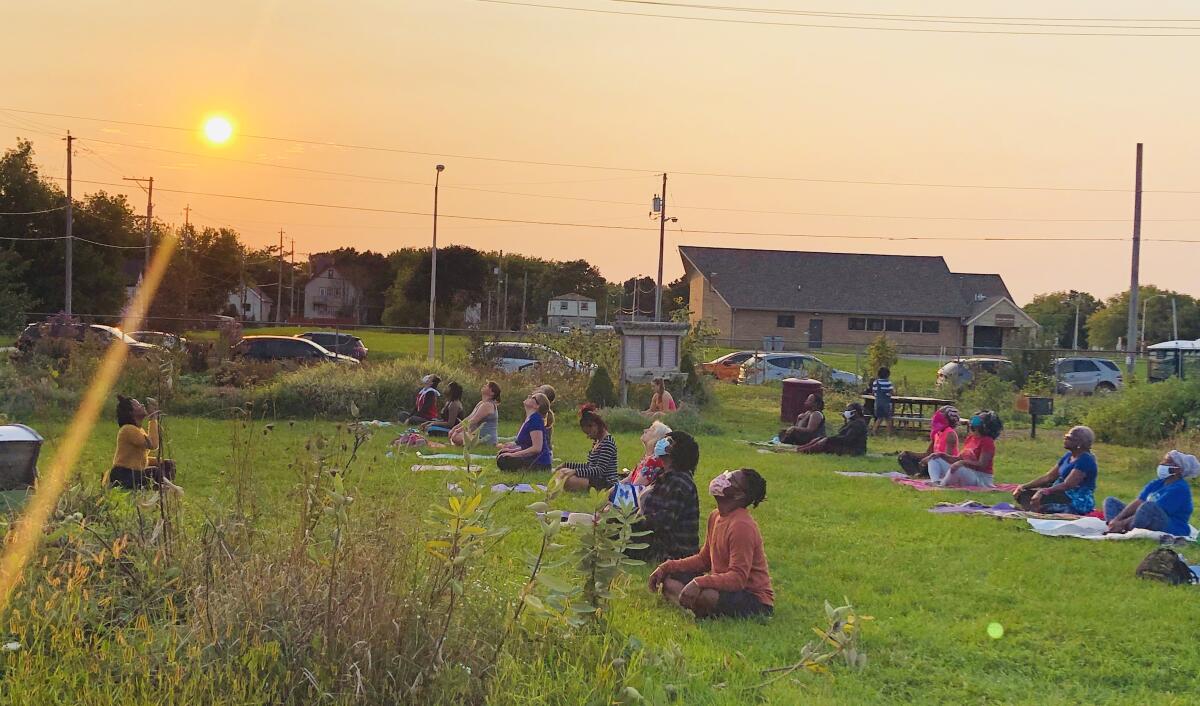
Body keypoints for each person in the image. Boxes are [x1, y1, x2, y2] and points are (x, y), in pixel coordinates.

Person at [648, 468, 773, 619]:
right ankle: (694, 610)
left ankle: (693, 609)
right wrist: (667, 567)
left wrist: (700, 582)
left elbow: (738, 578)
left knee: (708, 595)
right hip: (725, 586)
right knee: (670, 580)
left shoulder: (742, 525)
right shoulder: (715, 515)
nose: (723, 478)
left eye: (730, 480)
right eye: (727, 475)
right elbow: (704, 560)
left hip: (753, 597)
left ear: (739, 495)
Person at [629, 431, 701, 562]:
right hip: (659, 539)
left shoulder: (680, 482)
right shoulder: (662, 475)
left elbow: (663, 522)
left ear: (679, 451)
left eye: (669, 441)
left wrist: (629, 521)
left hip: (673, 550)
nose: (662, 442)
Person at [1104, 450, 1198, 536]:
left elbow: (1152, 511)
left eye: (1167, 462)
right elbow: (1139, 501)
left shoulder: (1180, 489)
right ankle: (1115, 526)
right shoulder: (1157, 482)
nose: (1162, 463)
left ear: (1178, 470)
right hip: (1145, 517)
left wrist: (1122, 523)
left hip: (1171, 526)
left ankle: (1123, 528)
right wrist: (1117, 519)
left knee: (1148, 507)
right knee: (1110, 502)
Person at [1013, 426, 1099, 514]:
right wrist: (1023, 486)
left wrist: (1044, 491)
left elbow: (1068, 485)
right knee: (1023, 494)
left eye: (1069, 438)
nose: (1065, 439)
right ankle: (1036, 510)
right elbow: (1049, 477)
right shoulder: (1068, 456)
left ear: (1080, 443)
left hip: (1075, 499)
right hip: (1061, 494)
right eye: (1066, 437)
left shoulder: (1085, 460)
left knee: (1042, 500)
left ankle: (1039, 511)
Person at [107, 395, 174, 490]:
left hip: (135, 472)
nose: (142, 405)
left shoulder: (139, 430)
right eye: (137, 405)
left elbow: (140, 457)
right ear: (131, 412)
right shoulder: (128, 429)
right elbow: (153, 445)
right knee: (156, 474)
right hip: (124, 474)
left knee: (167, 465)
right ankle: (162, 491)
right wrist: (152, 418)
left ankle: (164, 492)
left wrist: (160, 461)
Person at [925, 410, 1002, 488]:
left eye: (977, 420)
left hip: (980, 477)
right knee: (934, 459)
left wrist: (962, 463)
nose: (973, 421)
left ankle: (942, 485)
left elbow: (982, 464)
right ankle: (935, 482)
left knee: (959, 468)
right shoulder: (970, 438)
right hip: (967, 471)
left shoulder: (987, 441)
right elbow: (958, 459)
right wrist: (942, 455)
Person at [554, 404, 619, 492]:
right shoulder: (597, 442)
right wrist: (567, 465)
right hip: (596, 479)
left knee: (568, 480)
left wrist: (575, 471)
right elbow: (589, 466)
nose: (588, 437)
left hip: (606, 482)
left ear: (594, 426)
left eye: (588, 433)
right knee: (562, 474)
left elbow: (599, 471)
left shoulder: (607, 443)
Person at [496, 392, 554, 471]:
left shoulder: (535, 420)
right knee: (502, 454)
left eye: (533, 398)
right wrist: (511, 450)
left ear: (537, 406)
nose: (529, 396)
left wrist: (514, 455)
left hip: (540, 463)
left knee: (503, 460)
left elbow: (536, 448)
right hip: (532, 458)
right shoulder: (530, 418)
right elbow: (526, 445)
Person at [794, 403, 869, 456]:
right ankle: (800, 449)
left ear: (855, 413)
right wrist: (845, 421)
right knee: (819, 439)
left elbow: (847, 439)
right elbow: (841, 432)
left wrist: (829, 439)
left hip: (854, 450)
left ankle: (803, 451)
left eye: (848, 410)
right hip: (848, 446)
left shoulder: (858, 424)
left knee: (824, 443)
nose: (846, 412)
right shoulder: (853, 422)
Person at [449, 381, 500, 447]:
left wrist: (457, 430)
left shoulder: (488, 405)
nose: (484, 385)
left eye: (487, 386)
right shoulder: (481, 403)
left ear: (492, 393)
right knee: (454, 435)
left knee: (456, 437)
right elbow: (469, 418)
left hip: (485, 438)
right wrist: (454, 428)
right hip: (475, 435)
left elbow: (474, 420)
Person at [917, 406, 961, 483]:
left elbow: (948, 457)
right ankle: (920, 474)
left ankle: (935, 481)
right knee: (906, 456)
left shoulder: (950, 434)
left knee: (932, 459)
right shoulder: (938, 433)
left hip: (948, 466)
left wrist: (929, 458)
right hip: (938, 462)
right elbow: (929, 452)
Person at [629, 420, 672, 486]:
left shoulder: (654, 461)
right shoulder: (647, 457)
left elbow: (635, 486)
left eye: (651, 430)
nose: (645, 430)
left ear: (657, 438)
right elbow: (630, 478)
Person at [870, 367, 895, 435]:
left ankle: (873, 431)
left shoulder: (875, 382)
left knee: (879, 418)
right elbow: (892, 392)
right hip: (886, 403)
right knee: (888, 419)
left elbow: (874, 393)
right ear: (888, 375)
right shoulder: (888, 383)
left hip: (877, 403)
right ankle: (889, 433)